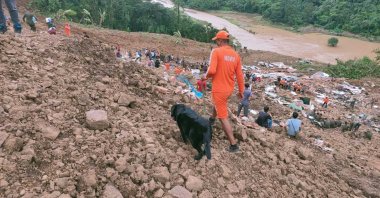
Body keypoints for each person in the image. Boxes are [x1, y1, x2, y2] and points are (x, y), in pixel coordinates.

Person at [205, 30, 245, 153]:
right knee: (218, 104)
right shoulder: (235, 55)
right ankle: (212, 119)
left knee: (223, 117)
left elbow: (211, 71)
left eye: (217, 40)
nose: (216, 42)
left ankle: (233, 144)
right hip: (229, 89)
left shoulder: (216, 51)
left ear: (221, 40)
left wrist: (204, 76)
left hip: (219, 89)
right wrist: (241, 91)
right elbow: (239, 75)